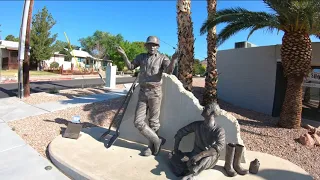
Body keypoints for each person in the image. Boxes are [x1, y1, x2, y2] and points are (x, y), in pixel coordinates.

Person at [116, 36, 179, 156]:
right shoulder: (141, 57)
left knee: (153, 122)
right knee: (138, 122)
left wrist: (174, 60)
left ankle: (150, 146)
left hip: (155, 93)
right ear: (146, 46)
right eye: (150, 45)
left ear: (158, 47)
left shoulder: (162, 58)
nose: (152, 47)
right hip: (142, 92)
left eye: (154, 45)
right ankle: (157, 140)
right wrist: (123, 54)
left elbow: (169, 71)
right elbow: (130, 67)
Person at [169, 102, 226, 180]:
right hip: (194, 154)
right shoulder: (197, 125)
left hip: (208, 157)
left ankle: (191, 174)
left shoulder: (219, 130)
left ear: (212, 113)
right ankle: (186, 168)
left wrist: (201, 155)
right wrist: (176, 149)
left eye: (207, 107)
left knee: (207, 158)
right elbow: (180, 133)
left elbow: (219, 147)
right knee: (171, 155)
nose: (203, 108)